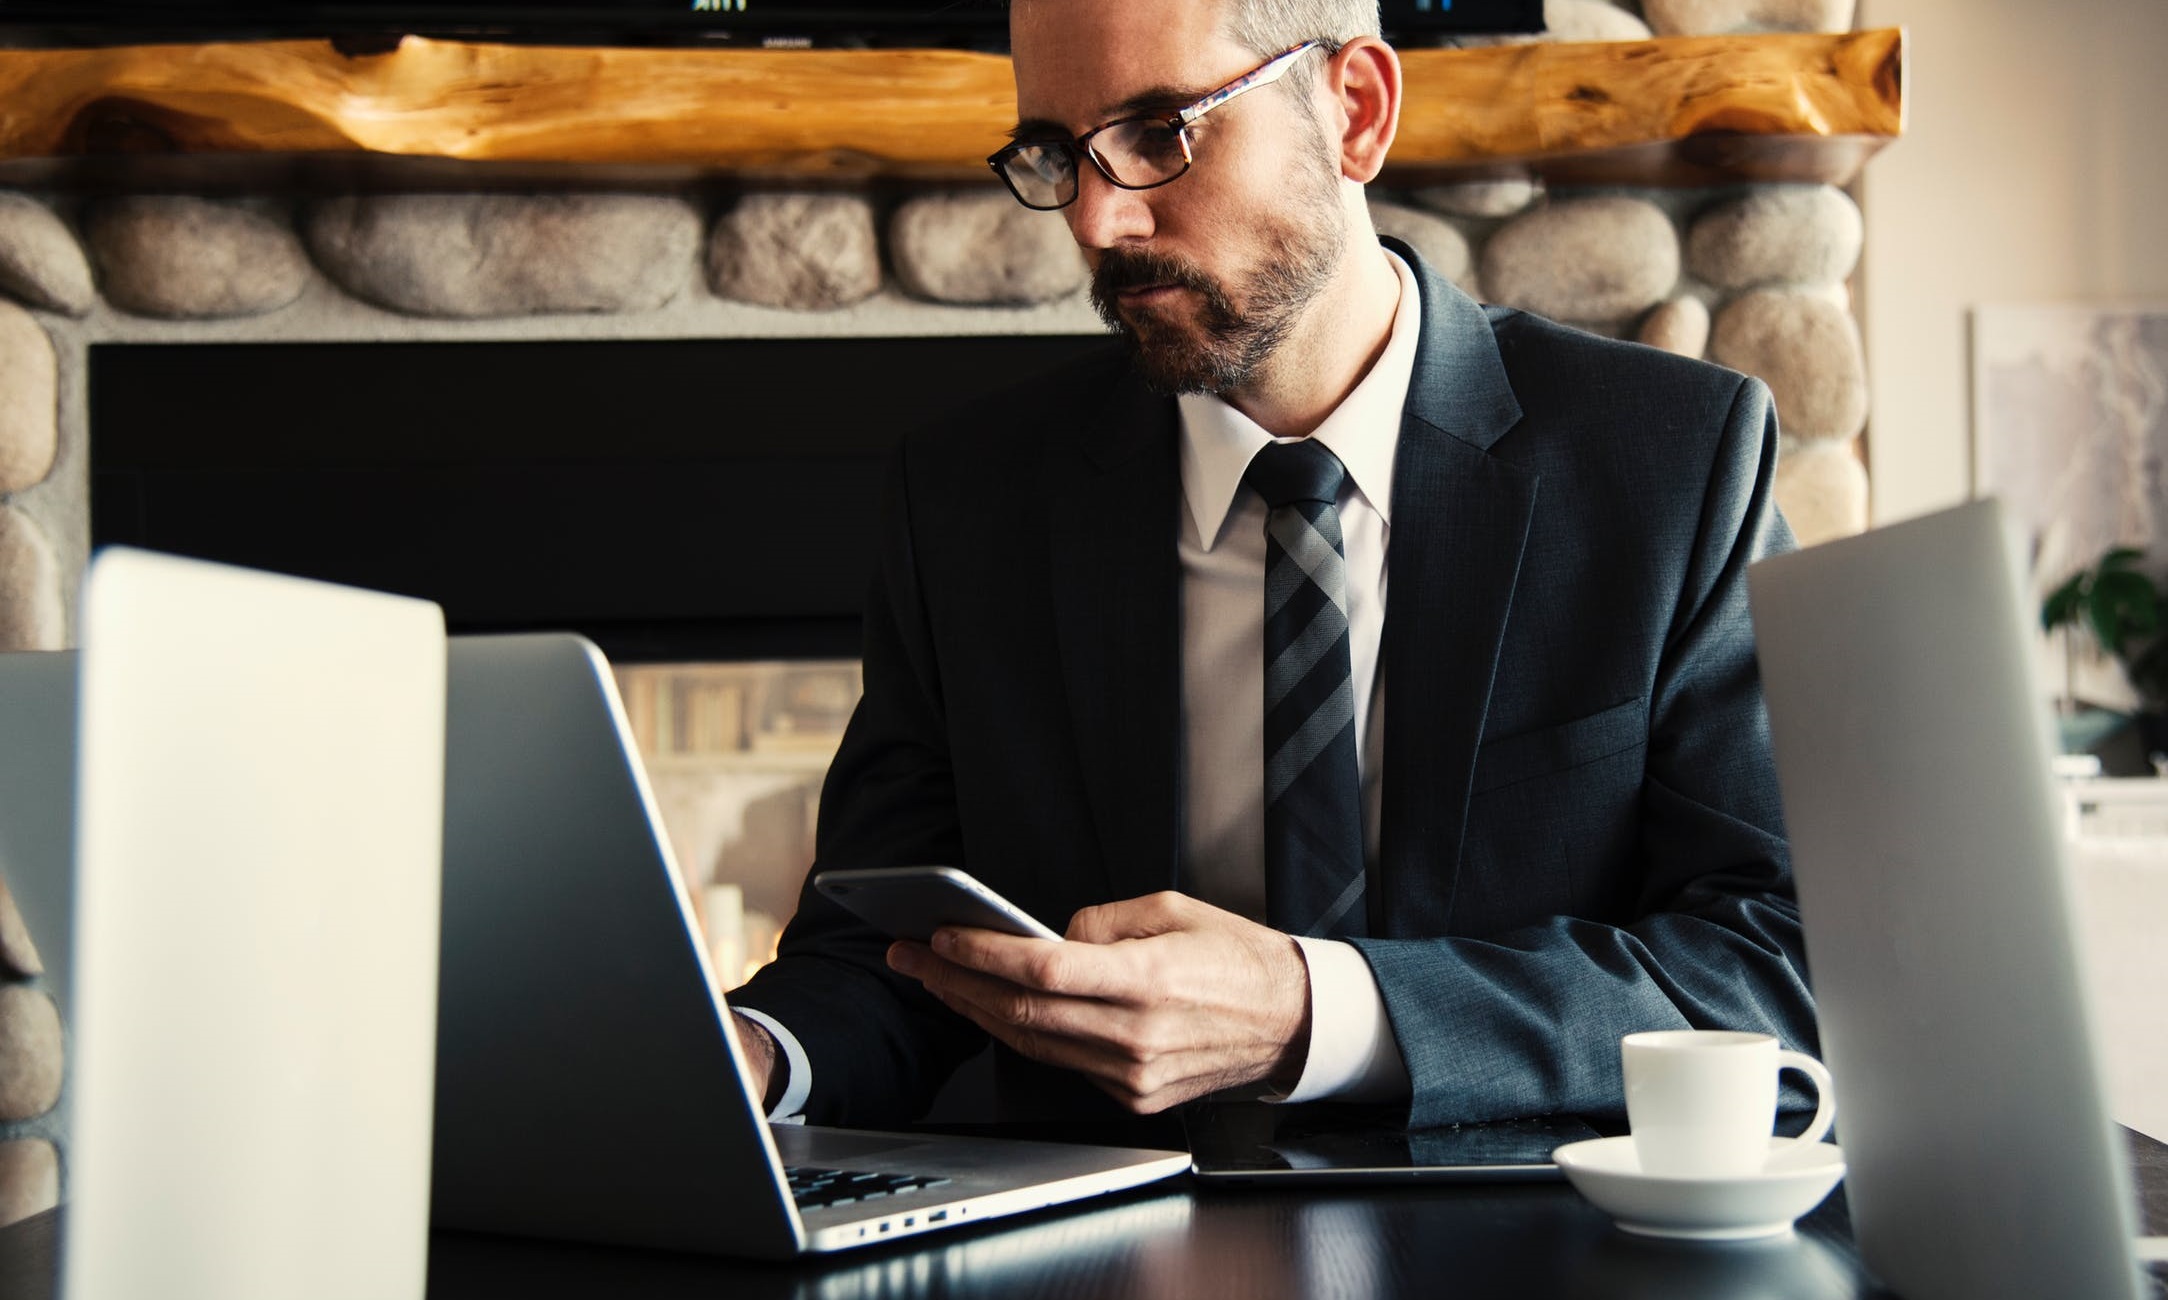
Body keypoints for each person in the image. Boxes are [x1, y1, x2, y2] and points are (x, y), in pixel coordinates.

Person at [725, 0, 1814, 1134]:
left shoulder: (1671, 463)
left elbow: (1773, 961)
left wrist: (1315, 1013)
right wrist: (751, 1054)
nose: (1097, 218)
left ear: (1354, 111)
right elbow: (884, 957)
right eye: (1055, 152)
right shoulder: (966, 502)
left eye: (1158, 131)